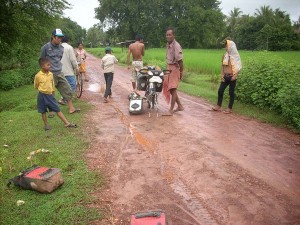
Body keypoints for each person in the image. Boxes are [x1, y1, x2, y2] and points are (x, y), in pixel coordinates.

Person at [40, 28, 80, 117]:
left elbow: (59, 59)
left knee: (67, 89)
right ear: (53, 37)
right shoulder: (45, 48)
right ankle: (52, 111)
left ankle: (71, 108)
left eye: (60, 38)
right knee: (51, 92)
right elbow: (41, 61)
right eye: (57, 37)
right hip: (49, 74)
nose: (59, 39)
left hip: (59, 72)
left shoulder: (61, 48)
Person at [34, 58, 77, 130]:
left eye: (50, 65)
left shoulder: (51, 74)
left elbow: (52, 85)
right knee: (43, 111)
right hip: (41, 95)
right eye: (48, 65)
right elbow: (36, 85)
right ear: (42, 66)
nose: (50, 66)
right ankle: (46, 125)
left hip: (50, 95)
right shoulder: (38, 76)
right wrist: (43, 90)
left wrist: (52, 93)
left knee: (57, 109)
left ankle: (67, 123)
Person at [212, 38, 242, 113]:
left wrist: (235, 76)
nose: (225, 48)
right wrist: (222, 75)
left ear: (231, 47)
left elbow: (238, 67)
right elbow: (222, 66)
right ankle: (218, 106)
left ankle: (229, 108)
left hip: (232, 77)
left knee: (231, 93)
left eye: (226, 46)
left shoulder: (236, 56)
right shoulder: (225, 55)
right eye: (225, 46)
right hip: (225, 76)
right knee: (220, 91)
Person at [162, 27, 184, 116]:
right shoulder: (168, 44)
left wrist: (181, 72)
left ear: (173, 35)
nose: (168, 36)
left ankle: (171, 110)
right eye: (167, 35)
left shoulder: (176, 46)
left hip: (174, 68)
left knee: (173, 89)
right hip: (169, 68)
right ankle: (180, 106)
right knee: (171, 89)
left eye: (170, 34)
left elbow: (180, 62)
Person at [58, 35, 80, 104]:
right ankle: (66, 99)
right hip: (68, 71)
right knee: (72, 85)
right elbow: (73, 60)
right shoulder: (69, 48)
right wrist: (76, 68)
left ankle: (63, 98)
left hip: (59, 70)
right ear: (68, 41)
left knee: (63, 86)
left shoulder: (58, 47)